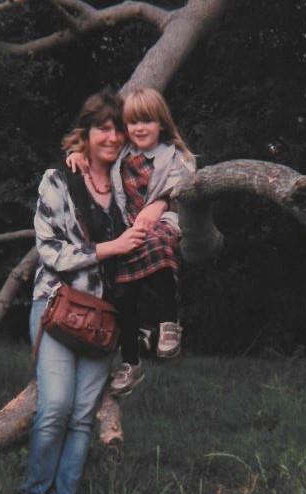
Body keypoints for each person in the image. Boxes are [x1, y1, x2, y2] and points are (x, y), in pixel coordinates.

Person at [14, 90, 146, 494]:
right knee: (54, 408)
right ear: (85, 135)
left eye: (117, 128)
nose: (111, 136)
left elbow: (173, 174)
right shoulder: (58, 180)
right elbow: (50, 252)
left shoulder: (132, 186)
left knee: (82, 416)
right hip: (58, 305)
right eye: (101, 128)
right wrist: (110, 247)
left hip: (107, 316)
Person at [66, 87, 196, 396]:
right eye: (133, 123)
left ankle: (169, 323)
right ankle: (131, 362)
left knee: (161, 251)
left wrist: (162, 201)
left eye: (147, 122)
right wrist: (78, 154)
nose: (139, 129)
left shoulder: (175, 156)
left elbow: (186, 182)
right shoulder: (122, 156)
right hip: (130, 230)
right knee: (123, 292)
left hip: (163, 224)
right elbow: (99, 158)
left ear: (162, 124)